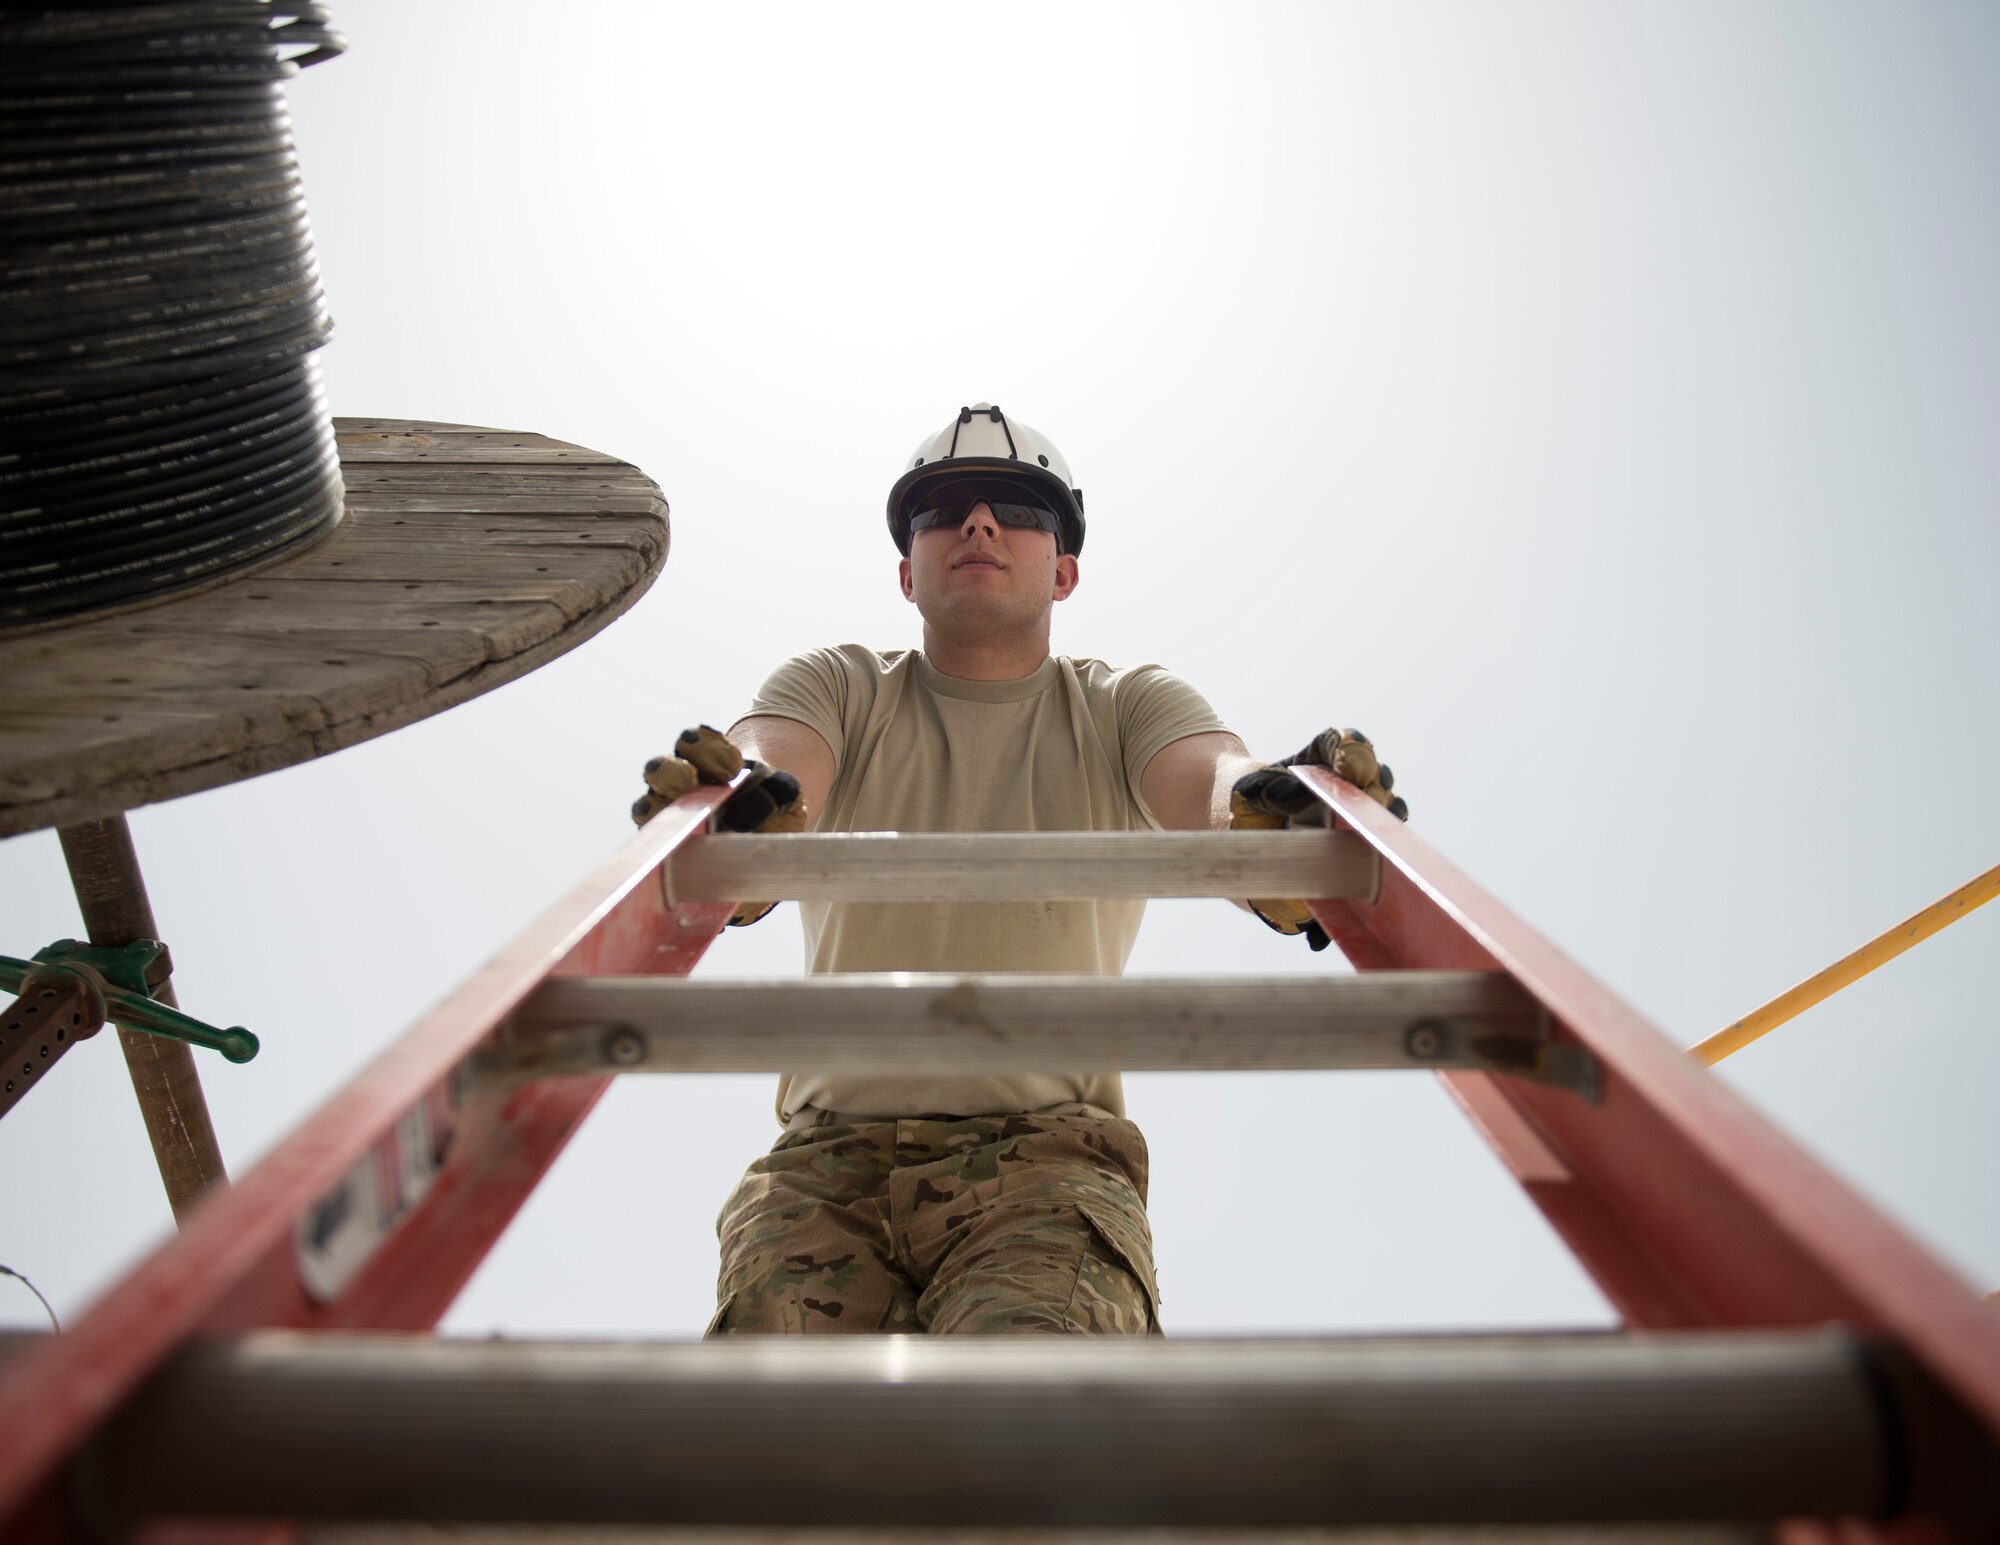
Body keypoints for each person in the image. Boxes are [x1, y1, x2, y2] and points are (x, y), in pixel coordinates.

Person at [633, 403, 1405, 1336]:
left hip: (1043, 1161)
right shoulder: (842, 686)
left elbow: (1205, 779)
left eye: (1018, 508)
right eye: (943, 507)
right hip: (823, 1165)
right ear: (907, 570)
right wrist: (744, 809)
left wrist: (1271, 818)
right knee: (794, 1460)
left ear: (1065, 569)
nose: (980, 522)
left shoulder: (1123, 704)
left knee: (1028, 1428)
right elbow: (777, 759)